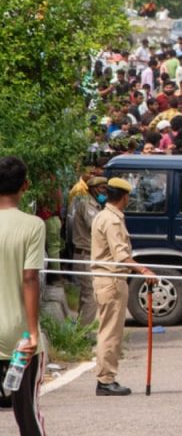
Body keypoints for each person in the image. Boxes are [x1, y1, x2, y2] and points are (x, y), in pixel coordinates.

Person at [91, 177, 157, 396]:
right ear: (125, 197)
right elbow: (121, 255)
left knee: (108, 330)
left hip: (106, 279)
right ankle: (105, 380)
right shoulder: (112, 221)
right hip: (111, 280)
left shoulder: (104, 215)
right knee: (110, 333)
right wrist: (144, 270)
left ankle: (106, 378)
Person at [0, 157, 46, 435]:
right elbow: (29, 277)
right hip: (19, 336)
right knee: (27, 413)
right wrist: (33, 333)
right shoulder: (33, 225)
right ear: (25, 185)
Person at [69, 176, 107, 325]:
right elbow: (95, 226)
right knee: (90, 296)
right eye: (102, 188)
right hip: (85, 255)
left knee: (86, 296)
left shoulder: (96, 204)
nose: (105, 192)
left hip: (87, 255)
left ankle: (80, 329)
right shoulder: (87, 204)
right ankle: (83, 332)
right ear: (94, 189)